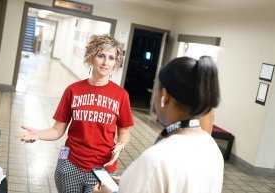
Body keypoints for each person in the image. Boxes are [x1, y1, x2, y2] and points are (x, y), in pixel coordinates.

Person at [16, 34, 134, 193]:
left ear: (116, 63)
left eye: (111, 58)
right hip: (71, 165)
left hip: (102, 169)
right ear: (91, 57)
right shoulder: (73, 90)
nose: (106, 62)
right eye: (101, 56)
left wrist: (121, 144)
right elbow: (57, 130)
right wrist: (39, 134)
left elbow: (124, 131)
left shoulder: (121, 95)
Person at [93, 56, 223, 193]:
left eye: (156, 89)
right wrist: (132, 182)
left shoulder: (156, 160)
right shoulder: (211, 147)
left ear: (165, 96)